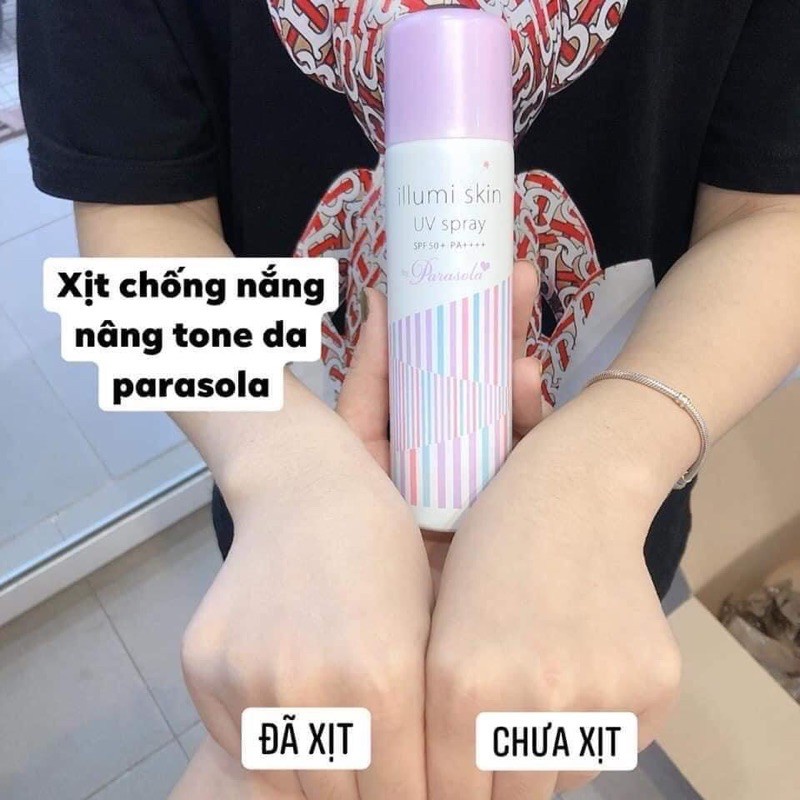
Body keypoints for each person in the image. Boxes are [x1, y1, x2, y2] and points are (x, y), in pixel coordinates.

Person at [18, 1, 800, 798]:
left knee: (528, 752)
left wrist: (616, 464)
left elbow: (772, 213)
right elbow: (138, 214)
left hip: (599, 531)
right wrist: (275, 465)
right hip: (294, 519)